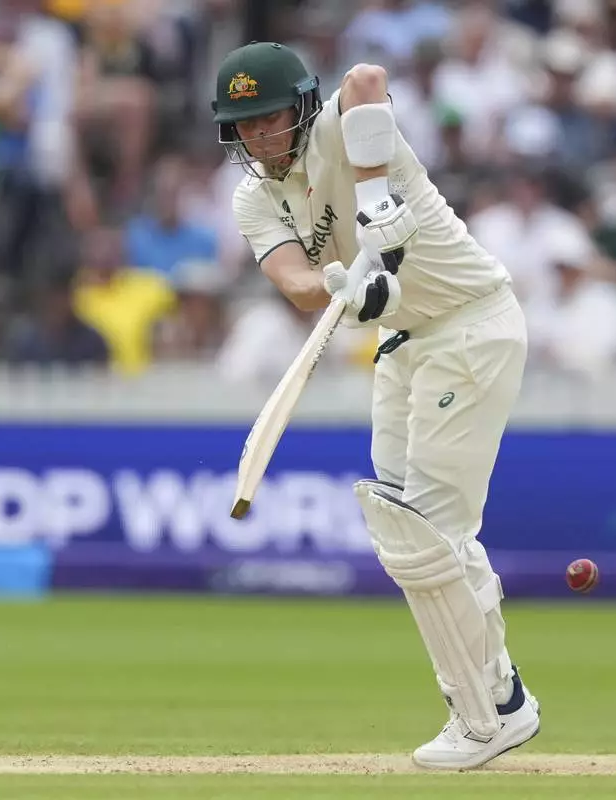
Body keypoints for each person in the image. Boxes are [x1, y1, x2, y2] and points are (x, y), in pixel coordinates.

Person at [213, 41, 538, 770]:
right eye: (244, 126)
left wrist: (375, 200)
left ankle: (485, 719)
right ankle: (501, 696)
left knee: (430, 530)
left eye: (269, 118)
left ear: (299, 107)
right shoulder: (253, 196)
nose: (260, 137)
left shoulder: (343, 125)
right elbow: (297, 285)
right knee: (405, 533)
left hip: (470, 322)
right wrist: (342, 285)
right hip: (402, 342)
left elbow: (368, 78)